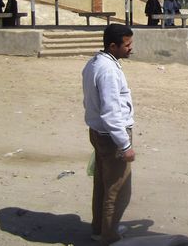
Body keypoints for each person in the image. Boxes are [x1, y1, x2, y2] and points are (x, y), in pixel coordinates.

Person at [82, 24, 135, 245]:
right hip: (111, 137)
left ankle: (100, 228)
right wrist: (125, 145)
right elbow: (111, 111)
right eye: (127, 44)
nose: (130, 48)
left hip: (99, 133)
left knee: (103, 185)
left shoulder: (95, 63)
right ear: (113, 46)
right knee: (117, 189)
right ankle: (109, 236)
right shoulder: (108, 71)